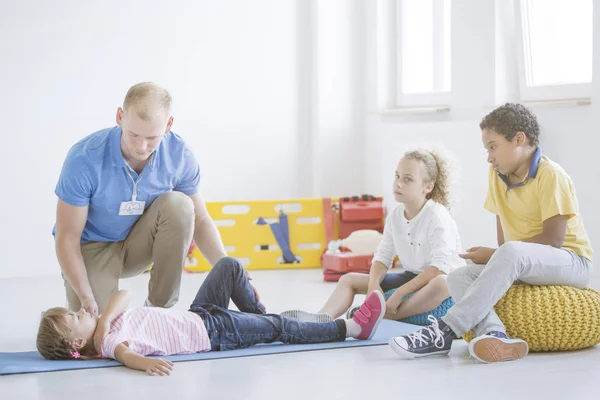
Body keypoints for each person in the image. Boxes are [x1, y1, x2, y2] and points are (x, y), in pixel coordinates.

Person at [389, 103, 594, 363]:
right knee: (458, 277)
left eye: (493, 146)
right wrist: (498, 256)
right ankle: (496, 334)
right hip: (525, 261)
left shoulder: (551, 175)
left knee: (510, 252)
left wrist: (496, 255)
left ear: (519, 139)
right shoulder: (496, 176)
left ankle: (444, 331)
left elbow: (553, 240)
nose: (488, 156)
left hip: (570, 260)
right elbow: (506, 242)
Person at [52, 82, 243, 316]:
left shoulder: (179, 155)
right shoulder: (84, 158)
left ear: (169, 125)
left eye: (152, 138)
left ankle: (158, 309)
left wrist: (229, 271)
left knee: (180, 205)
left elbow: (200, 220)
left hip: (138, 243)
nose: (141, 147)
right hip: (92, 248)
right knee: (95, 331)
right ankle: (94, 300)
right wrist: (85, 297)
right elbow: (66, 238)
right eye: (133, 135)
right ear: (120, 116)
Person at [36, 257, 387, 376]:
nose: (81, 310)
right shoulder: (111, 343)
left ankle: (261, 322)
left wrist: (102, 318)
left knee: (229, 267)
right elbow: (129, 357)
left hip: (200, 314)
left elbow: (124, 294)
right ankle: (352, 327)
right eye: (74, 317)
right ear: (77, 342)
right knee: (280, 328)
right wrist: (145, 365)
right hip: (215, 333)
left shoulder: (104, 327)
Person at [282, 148, 465, 323]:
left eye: (408, 179)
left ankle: (387, 316)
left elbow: (438, 270)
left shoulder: (438, 217)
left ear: (428, 187)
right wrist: (373, 284)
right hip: (412, 276)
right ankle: (321, 319)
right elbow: (383, 256)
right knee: (349, 279)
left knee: (442, 283)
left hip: (442, 281)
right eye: (397, 176)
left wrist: (399, 293)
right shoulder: (395, 215)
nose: (398, 183)